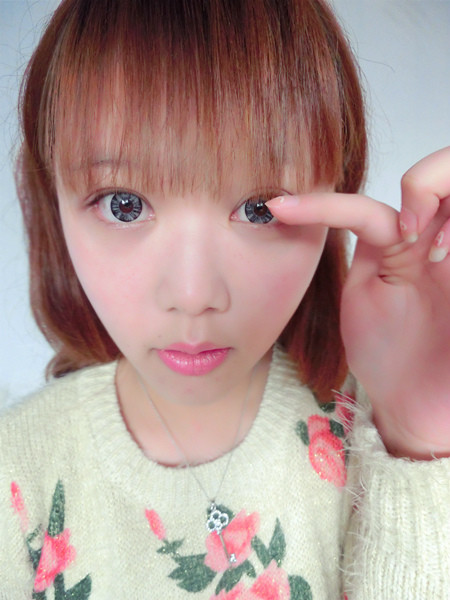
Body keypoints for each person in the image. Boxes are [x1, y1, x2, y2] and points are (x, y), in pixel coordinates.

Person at [1, 0, 449, 597]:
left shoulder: (381, 435)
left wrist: (419, 437)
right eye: (124, 205)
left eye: (259, 209)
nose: (193, 296)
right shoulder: (16, 472)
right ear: (52, 198)